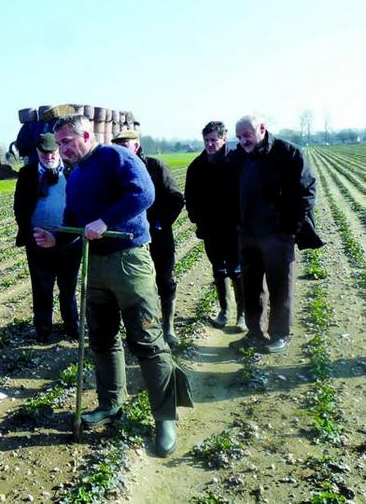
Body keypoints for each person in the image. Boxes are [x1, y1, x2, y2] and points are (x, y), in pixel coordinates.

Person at [34, 115, 192, 457]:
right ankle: (110, 403)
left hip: (129, 259)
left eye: (66, 142)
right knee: (102, 338)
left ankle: (165, 416)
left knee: (147, 339)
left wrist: (106, 221)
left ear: (86, 135)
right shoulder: (75, 177)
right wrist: (55, 239)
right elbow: (74, 222)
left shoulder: (116, 157)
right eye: (58, 144)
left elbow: (144, 193)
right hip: (96, 263)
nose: (62, 149)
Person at [229, 115, 321, 353]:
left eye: (247, 135)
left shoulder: (288, 153)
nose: (243, 141)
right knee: (250, 287)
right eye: (239, 137)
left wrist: (289, 229)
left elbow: (307, 192)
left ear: (262, 129)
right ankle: (255, 332)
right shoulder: (237, 157)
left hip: (277, 235)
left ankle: (280, 334)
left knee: (280, 287)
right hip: (248, 234)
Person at [112, 129, 184, 346]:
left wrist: (161, 223)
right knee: (137, 286)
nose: (123, 148)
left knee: (164, 280)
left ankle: (168, 327)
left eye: (127, 144)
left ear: (136, 145)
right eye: (119, 145)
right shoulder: (115, 172)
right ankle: (143, 329)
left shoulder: (154, 167)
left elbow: (176, 198)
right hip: (130, 240)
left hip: (158, 237)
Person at [13, 133, 81, 342]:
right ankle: (43, 328)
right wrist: (32, 233)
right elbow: (20, 208)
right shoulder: (27, 174)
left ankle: (71, 324)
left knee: (68, 287)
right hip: (38, 241)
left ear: (59, 150)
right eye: (44, 152)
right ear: (37, 152)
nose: (48, 156)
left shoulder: (73, 171)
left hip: (69, 241)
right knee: (41, 287)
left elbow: (81, 207)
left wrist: (64, 234)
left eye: (52, 152)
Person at [185, 121, 246, 331]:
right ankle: (224, 311)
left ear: (223, 138)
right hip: (211, 229)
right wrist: (197, 220)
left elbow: (246, 194)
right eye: (207, 140)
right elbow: (190, 197)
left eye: (214, 140)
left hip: (235, 229)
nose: (210, 144)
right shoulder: (197, 167)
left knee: (237, 270)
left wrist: (242, 223)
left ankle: (242, 315)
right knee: (218, 270)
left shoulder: (236, 162)